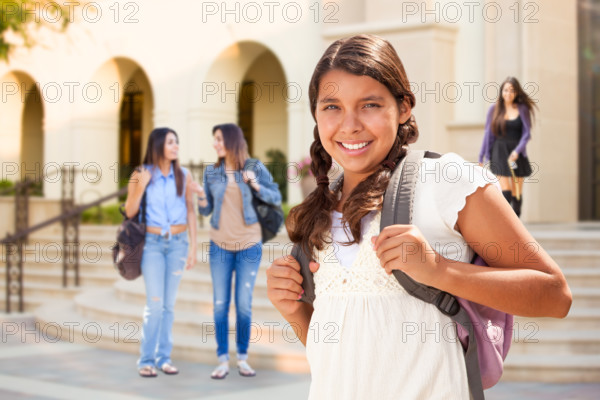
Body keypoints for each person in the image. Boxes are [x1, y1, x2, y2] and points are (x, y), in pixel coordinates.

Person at [266, 34, 571, 399]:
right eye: (331, 107)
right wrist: (294, 312)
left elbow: (556, 296)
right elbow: (337, 354)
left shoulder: (446, 180)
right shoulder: (319, 209)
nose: (349, 125)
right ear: (315, 113)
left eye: (369, 105)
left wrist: (439, 270)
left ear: (404, 107)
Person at [190, 123, 282, 379]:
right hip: (220, 245)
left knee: (243, 303)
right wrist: (200, 197)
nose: (215, 144)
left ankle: (242, 358)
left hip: (249, 245)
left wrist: (256, 186)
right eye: (214, 140)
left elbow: (275, 197)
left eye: (218, 139)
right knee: (220, 305)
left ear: (231, 140)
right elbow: (206, 211)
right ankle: (222, 359)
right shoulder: (211, 172)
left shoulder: (253, 167)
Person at [124, 127, 197, 378]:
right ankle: (146, 359)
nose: (176, 146)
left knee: (168, 306)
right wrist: (140, 187)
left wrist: (194, 247)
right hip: (152, 245)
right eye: (170, 142)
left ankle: (164, 358)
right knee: (154, 304)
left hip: (178, 244)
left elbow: (190, 211)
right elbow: (130, 211)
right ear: (157, 146)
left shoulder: (184, 175)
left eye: (177, 141)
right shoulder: (141, 174)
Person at [478, 77, 537, 217]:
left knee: (517, 192)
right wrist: (482, 157)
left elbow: (527, 133)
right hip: (499, 151)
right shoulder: (494, 108)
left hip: (517, 154)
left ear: (516, 92)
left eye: (512, 90)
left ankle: (516, 222)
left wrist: (517, 151)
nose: (508, 93)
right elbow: (488, 134)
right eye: (506, 90)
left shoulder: (522, 109)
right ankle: (507, 224)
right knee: (506, 191)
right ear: (501, 91)